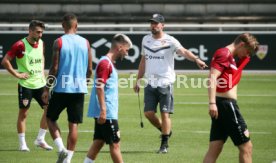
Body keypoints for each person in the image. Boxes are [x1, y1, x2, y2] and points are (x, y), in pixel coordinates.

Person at [134, 13, 208, 154]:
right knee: (148, 113)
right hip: (150, 83)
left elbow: (184, 52)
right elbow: (143, 61)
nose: (153, 26)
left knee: (165, 114)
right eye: (152, 23)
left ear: (163, 25)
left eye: (156, 23)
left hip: (165, 82)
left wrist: (196, 59)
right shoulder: (145, 39)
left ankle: (164, 144)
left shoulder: (170, 40)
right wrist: (138, 79)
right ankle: (165, 131)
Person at [203, 33, 259, 163]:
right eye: (247, 51)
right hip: (226, 105)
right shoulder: (224, 54)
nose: (247, 55)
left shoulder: (230, 57)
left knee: (215, 148)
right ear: (241, 44)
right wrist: (211, 103)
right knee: (246, 147)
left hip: (223, 105)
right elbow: (212, 78)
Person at [44, 13, 92, 163]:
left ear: (62, 25)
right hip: (79, 89)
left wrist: (47, 88)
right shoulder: (86, 42)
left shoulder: (59, 42)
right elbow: (90, 69)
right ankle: (68, 159)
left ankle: (61, 149)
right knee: (73, 125)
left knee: (50, 118)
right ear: (76, 25)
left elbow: (54, 68)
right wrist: (86, 82)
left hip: (61, 89)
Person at [1, 20, 53, 152]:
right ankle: (22, 144)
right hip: (26, 85)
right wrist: (17, 75)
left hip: (41, 84)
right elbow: (5, 61)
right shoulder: (20, 45)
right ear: (30, 31)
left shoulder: (41, 43)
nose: (40, 35)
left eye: (42, 32)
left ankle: (40, 139)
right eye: (38, 32)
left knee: (50, 111)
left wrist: (42, 73)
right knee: (24, 114)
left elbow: (42, 58)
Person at [84, 34, 132, 163]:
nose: (127, 53)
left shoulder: (108, 63)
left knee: (99, 142)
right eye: (126, 50)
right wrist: (103, 110)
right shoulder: (105, 64)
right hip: (107, 112)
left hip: (106, 111)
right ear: (120, 47)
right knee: (115, 144)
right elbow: (100, 87)